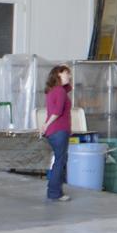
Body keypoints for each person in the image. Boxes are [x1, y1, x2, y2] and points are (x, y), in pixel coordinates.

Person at [42, 64, 73, 202]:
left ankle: (55, 191)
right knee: (60, 162)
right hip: (59, 130)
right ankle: (54, 193)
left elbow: (68, 88)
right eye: (67, 73)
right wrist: (46, 124)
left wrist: (46, 126)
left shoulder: (53, 90)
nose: (69, 76)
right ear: (58, 74)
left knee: (59, 161)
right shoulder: (60, 91)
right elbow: (57, 111)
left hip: (54, 132)